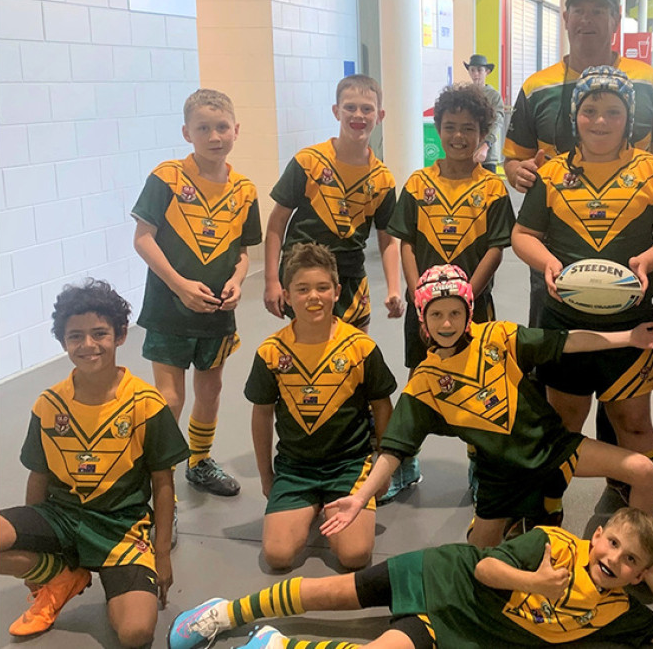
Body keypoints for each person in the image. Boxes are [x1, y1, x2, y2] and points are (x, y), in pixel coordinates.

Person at [319, 264, 653, 551]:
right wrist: (360, 496)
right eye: (437, 314)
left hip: (553, 451)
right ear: (422, 321)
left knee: (641, 470)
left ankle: (645, 557)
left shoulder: (498, 337)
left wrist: (629, 338)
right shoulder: (424, 382)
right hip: (499, 478)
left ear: (468, 313)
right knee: (478, 564)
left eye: (455, 313)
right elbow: (393, 451)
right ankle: (518, 521)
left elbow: (567, 341)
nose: (446, 323)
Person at [511, 65, 653, 604]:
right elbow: (524, 233)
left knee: (633, 423)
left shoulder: (651, 172)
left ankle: (648, 539)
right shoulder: (552, 174)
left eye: (612, 111)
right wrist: (546, 264)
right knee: (563, 421)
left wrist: (646, 260)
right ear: (576, 117)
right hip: (564, 324)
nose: (599, 119)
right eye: (590, 110)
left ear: (628, 119)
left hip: (629, 326)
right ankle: (543, 527)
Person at [167, 508, 653, 649]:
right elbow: (485, 567)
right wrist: (534, 583)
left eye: (631, 563)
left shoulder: (616, 610)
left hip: (462, 631)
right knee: (332, 592)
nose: (615, 561)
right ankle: (225, 611)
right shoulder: (554, 544)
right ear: (596, 534)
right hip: (443, 576)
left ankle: (276, 644)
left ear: (638, 575)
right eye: (614, 544)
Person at [0, 280, 189, 646]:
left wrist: (162, 554)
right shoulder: (49, 404)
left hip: (121, 529)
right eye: (75, 336)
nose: (87, 345)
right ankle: (61, 575)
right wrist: (39, 546)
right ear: (63, 342)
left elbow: (163, 484)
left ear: (119, 336)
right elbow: (38, 475)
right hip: (63, 518)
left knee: (135, 633)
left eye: (99, 333)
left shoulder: (145, 404)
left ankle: (113, 577)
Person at [503, 0, 653, 332]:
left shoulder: (647, 81)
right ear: (566, 17)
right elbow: (513, 158)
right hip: (555, 247)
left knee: (627, 351)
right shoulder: (537, 86)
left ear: (616, 18)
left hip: (627, 246)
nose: (588, 19)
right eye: (580, 10)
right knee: (555, 356)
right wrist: (517, 173)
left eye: (599, 11)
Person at [384, 83, 516, 503]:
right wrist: (417, 295)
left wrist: (466, 297)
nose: (459, 136)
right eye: (450, 127)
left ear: (483, 134)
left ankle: (481, 464)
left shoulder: (493, 187)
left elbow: (496, 248)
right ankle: (406, 464)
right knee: (416, 380)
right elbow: (404, 241)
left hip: (474, 309)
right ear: (438, 129)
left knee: (479, 383)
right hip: (423, 311)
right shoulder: (419, 183)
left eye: (469, 129)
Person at [131, 88, 262, 497]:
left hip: (217, 314)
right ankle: (156, 474)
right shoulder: (166, 177)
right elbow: (143, 239)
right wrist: (180, 285)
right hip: (170, 309)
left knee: (211, 391)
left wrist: (238, 282)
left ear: (236, 130)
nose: (214, 136)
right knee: (169, 398)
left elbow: (243, 253)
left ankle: (199, 461)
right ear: (187, 133)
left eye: (222, 127)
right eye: (203, 128)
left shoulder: (245, 189)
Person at [244, 243, 397, 572]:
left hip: (350, 466)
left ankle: (331, 503)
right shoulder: (271, 352)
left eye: (322, 287)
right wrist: (266, 474)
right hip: (295, 469)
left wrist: (382, 467)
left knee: (354, 556)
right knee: (278, 556)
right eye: (302, 289)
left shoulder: (360, 346)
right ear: (286, 294)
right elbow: (261, 414)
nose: (313, 297)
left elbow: (383, 408)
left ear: (337, 291)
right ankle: (310, 505)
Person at [263, 74, 404, 331]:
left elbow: (387, 239)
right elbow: (277, 222)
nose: (358, 115)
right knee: (308, 354)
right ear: (336, 111)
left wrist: (394, 288)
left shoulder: (382, 179)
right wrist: (272, 279)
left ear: (380, 115)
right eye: (350, 107)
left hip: (351, 277)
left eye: (367, 109)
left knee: (355, 354)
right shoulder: (308, 162)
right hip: (303, 274)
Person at [464, 54, 506, 174]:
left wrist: (486, 145)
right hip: (467, 153)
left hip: (487, 155)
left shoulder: (493, 96)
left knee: (489, 190)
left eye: (479, 70)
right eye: (472, 70)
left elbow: (497, 121)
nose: (475, 74)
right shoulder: (465, 95)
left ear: (486, 72)